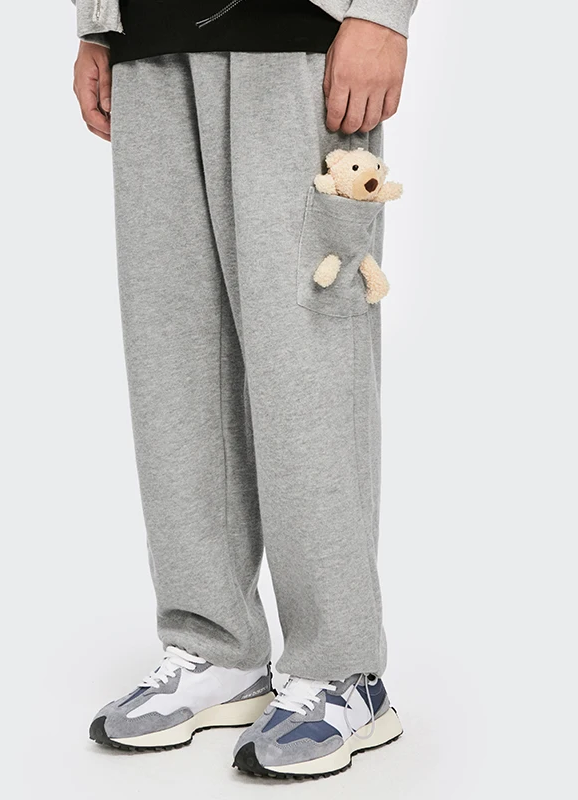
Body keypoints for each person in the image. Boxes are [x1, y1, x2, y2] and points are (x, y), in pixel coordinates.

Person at [72, 0, 416, 780]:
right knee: (174, 363)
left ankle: (344, 672)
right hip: (148, 45)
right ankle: (216, 647)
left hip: (297, 33)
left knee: (307, 361)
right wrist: (95, 22)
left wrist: (383, 13)